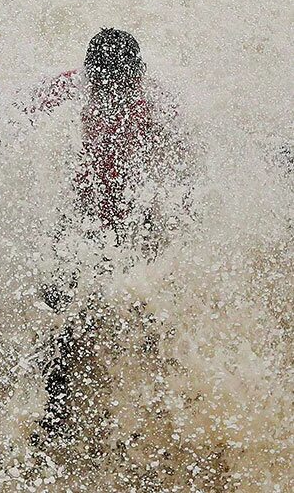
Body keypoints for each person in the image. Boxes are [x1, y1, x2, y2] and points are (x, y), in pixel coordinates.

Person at [12, 29, 195, 455]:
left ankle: (139, 422)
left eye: (122, 83)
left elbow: (186, 166)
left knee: (135, 312)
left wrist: (176, 227)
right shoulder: (66, 92)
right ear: (90, 77)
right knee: (60, 318)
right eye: (103, 84)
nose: (112, 93)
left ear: (137, 76)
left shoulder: (155, 104)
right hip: (77, 224)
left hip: (134, 225)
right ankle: (50, 417)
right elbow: (17, 129)